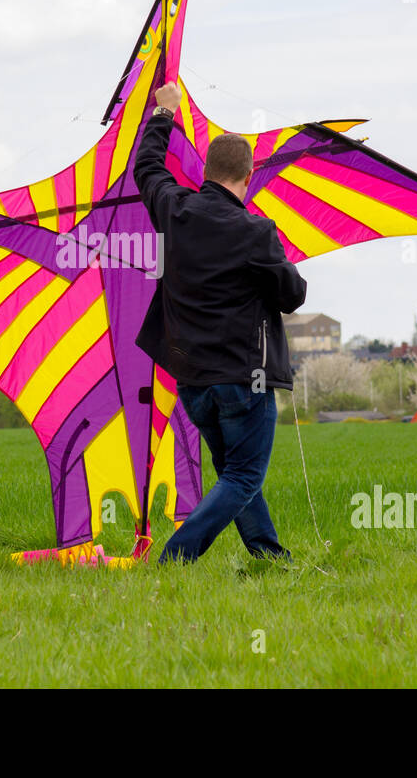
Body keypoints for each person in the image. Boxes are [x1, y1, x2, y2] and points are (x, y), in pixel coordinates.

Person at [133, 80, 308, 564]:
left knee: (233, 470)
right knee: (243, 476)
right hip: (242, 380)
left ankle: (270, 556)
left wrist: (163, 116)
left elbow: (146, 168)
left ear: (207, 172)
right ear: (247, 175)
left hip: (193, 382)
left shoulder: (175, 209)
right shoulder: (255, 231)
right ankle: (176, 558)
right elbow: (293, 295)